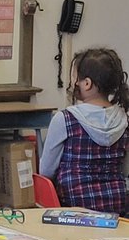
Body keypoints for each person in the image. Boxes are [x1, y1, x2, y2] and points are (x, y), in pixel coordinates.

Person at [38, 47, 129, 215]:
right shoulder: (124, 119)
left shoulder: (65, 119)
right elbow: (125, 169)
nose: (73, 83)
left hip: (74, 205)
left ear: (86, 84)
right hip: (117, 205)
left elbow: (46, 170)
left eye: (75, 79)